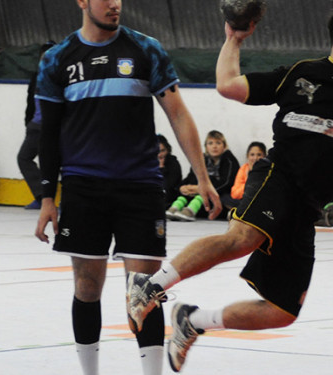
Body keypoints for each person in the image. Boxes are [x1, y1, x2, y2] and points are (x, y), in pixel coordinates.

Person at [125, 2, 333, 372]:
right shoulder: (303, 73)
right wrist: (233, 39)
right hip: (277, 176)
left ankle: (193, 320)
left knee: (282, 311)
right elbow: (228, 86)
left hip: (308, 206)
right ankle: (150, 285)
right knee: (243, 238)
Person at [32, 1, 220, 374]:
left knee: (145, 292)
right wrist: (46, 198)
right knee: (87, 288)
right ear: (82, 2)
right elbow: (48, 134)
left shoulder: (146, 49)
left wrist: (202, 176)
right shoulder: (57, 59)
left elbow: (178, 114)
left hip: (140, 186)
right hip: (84, 187)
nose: (114, 3)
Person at [166, 130, 239, 221]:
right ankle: (174, 208)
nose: (214, 146)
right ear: (206, 147)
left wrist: (202, 189)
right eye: (210, 143)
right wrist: (182, 187)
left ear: (224, 146)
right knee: (184, 193)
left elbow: (227, 183)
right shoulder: (202, 159)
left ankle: (190, 211)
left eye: (218, 143)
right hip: (201, 190)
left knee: (204, 190)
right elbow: (191, 176)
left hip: (218, 194)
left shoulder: (229, 160)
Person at [17, 41, 56, 210]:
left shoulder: (60, 77)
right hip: (35, 126)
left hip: (54, 127)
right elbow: (30, 102)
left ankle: (65, 200)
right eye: (43, 56)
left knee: (57, 162)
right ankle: (41, 196)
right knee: (24, 158)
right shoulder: (36, 76)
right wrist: (28, 122)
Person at [224, 141, 267, 209]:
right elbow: (235, 194)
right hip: (244, 200)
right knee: (225, 198)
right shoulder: (244, 169)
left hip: (261, 202)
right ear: (248, 156)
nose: (255, 158)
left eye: (259, 155)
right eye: (252, 155)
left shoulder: (267, 170)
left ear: (265, 156)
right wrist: (249, 180)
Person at [158, 134, 183, 210]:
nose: (159, 155)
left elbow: (168, 186)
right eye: (156, 151)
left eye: (162, 151)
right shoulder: (148, 163)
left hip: (170, 197)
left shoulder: (173, 163)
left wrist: (161, 168)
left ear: (168, 150)